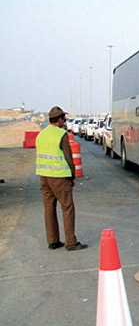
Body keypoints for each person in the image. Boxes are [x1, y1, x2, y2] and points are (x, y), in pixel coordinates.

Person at [35, 106, 88, 251]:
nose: (64, 121)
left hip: (44, 177)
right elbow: (69, 158)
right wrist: (72, 176)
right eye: (63, 118)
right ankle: (71, 242)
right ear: (59, 120)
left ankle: (53, 241)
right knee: (67, 207)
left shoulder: (41, 134)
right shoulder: (61, 135)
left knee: (49, 209)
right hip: (59, 177)